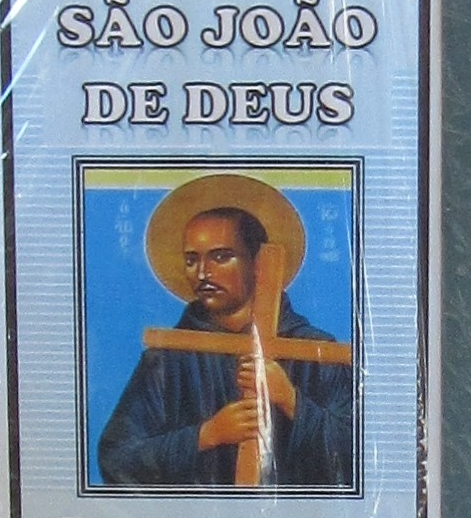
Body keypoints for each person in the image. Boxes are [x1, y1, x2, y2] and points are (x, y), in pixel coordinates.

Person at [97, 173, 353, 488]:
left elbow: (359, 458)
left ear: (258, 263)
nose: (203, 273)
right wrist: (207, 435)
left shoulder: (314, 351)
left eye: (221, 257)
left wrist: (290, 400)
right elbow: (116, 458)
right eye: (192, 260)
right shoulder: (168, 358)